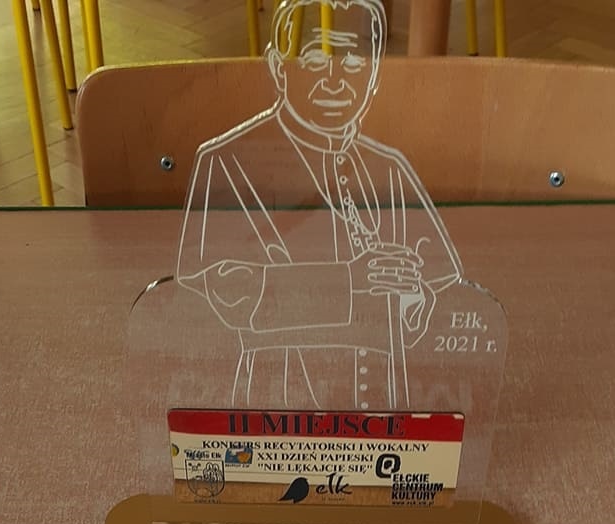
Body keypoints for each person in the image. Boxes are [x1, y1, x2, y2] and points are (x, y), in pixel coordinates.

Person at [177, 0, 462, 408]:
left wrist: (413, 294)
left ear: (375, 75)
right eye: (313, 61)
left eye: (354, 64)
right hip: (277, 404)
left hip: (383, 402)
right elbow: (220, 292)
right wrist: (351, 279)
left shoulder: (390, 167)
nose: (334, 82)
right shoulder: (228, 161)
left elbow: (442, 287)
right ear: (278, 68)